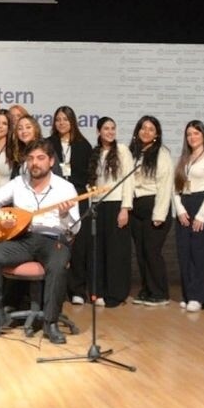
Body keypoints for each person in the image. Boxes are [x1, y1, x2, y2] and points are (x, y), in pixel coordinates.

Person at [0, 139, 79, 344]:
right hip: (24, 238)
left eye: (41, 158)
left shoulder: (66, 188)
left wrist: (65, 215)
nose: (35, 163)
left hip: (53, 239)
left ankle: (50, 322)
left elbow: (75, 228)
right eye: (31, 158)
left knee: (58, 264)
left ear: (51, 161)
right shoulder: (19, 183)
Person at [172, 120, 204, 312]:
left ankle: (200, 296)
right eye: (189, 134)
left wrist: (201, 214)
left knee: (202, 253)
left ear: (203, 136)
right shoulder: (183, 159)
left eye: (196, 133)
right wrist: (180, 209)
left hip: (203, 206)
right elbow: (174, 187)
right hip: (185, 205)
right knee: (185, 252)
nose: (192, 137)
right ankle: (188, 294)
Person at [86, 117, 134, 308]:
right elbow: (93, 181)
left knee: (116, 252)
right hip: (98, 205)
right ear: (99, 132)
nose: (110, 132)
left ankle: (116, 294)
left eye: (113, 128)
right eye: (106, 128)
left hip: (116, 205)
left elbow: (128, 180)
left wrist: (125, 208)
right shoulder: (95, 152)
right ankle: (98, 292)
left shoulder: (122, 150)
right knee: (98, 251)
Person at [49, 105, 93, 305]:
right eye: (58, 119)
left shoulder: (83, 145)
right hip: (55, 198)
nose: (61, 123)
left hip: (78, 197)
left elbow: (88, 174)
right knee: (56, 243)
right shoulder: (49, 144)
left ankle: (77, 290)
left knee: (78, 245)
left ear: (72, 121)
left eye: (65, 119)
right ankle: (56, 288)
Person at [129, 115, 174, 306]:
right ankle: (147, 290)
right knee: (140, 252)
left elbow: (165, 186)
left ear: (156, 134)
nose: (146, 132)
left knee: (152, 251)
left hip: (154, 206)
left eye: (151, 129)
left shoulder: (162, 154)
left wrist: (159, 214)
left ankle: (160, 293)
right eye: (143, 128)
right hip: (136, 207)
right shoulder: (133, 153)